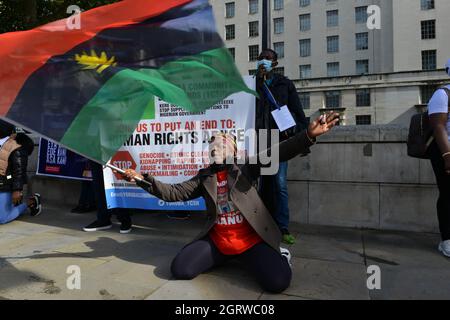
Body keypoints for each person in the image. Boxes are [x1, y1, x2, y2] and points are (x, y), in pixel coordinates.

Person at [120, 112, 339, 293]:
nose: (215, 146)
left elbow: (278, 152)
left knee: (278, 283)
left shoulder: (245, 168)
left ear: (235, 150)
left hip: (251, 242)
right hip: (219, 242)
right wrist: (141, 180)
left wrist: (308, 135)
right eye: (212, 143)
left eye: (222, 142)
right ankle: (223, 258)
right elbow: (173, 192)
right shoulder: (204, 177)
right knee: (181, 269)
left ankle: (279, 254)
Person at [255, 48, 309, 245]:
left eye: (268, 58)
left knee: (280, 184)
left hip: (280, 139)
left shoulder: (284, 84)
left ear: (275, 63)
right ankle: (261, 223)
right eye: (261, 58)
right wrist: (258, 82)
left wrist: (303, 139)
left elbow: (298, 111)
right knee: (261, 183)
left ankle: (282, 227)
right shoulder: (253, 84)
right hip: (260, 138)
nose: (263, 61)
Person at [0, 119, 42, 224]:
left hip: (6, 185)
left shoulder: (16, 146)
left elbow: (19, 171)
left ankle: (28, 203)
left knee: (2, 218)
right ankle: (11, 204)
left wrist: (17, 190)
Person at [428, 59, 450, 258]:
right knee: (448, 194)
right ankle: (447, 239)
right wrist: (447, 155)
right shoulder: (443, 94)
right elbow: (438, 126)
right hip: (444, 152)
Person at [82, 161, 132, 234]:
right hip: (96, 153)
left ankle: (125, 218)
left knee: (117, 182)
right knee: (99, 184)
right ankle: (103, 219)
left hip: (113, 152)